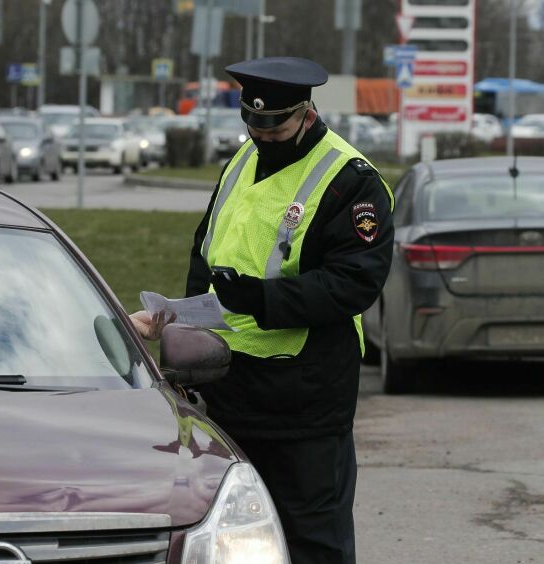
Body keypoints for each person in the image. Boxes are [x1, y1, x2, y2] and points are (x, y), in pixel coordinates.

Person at [132, 57, 394, 564]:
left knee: (313, 543)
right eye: (252, 123)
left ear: (307, 115)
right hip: (228, 395)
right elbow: (205, 254)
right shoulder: (242, 160)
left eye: (275, 125)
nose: (262, 135)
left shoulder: (351, 182)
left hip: (305, 402)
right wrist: (179, 326)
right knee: (232, 542)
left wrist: (258, 300)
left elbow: (353, 284)